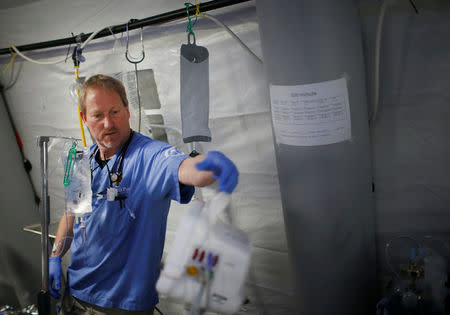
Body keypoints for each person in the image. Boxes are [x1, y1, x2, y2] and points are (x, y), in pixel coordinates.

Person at [48, 74, 239, 314]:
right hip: (76, 295)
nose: (108, 123)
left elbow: (185, 168)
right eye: (98, 115)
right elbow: (72, 213)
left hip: (124, 305)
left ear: (128, 110)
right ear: (85, 118)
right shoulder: (80, 160)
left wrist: (209, 165)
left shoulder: (150, 156)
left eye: (115, 111)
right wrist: (55, 256)